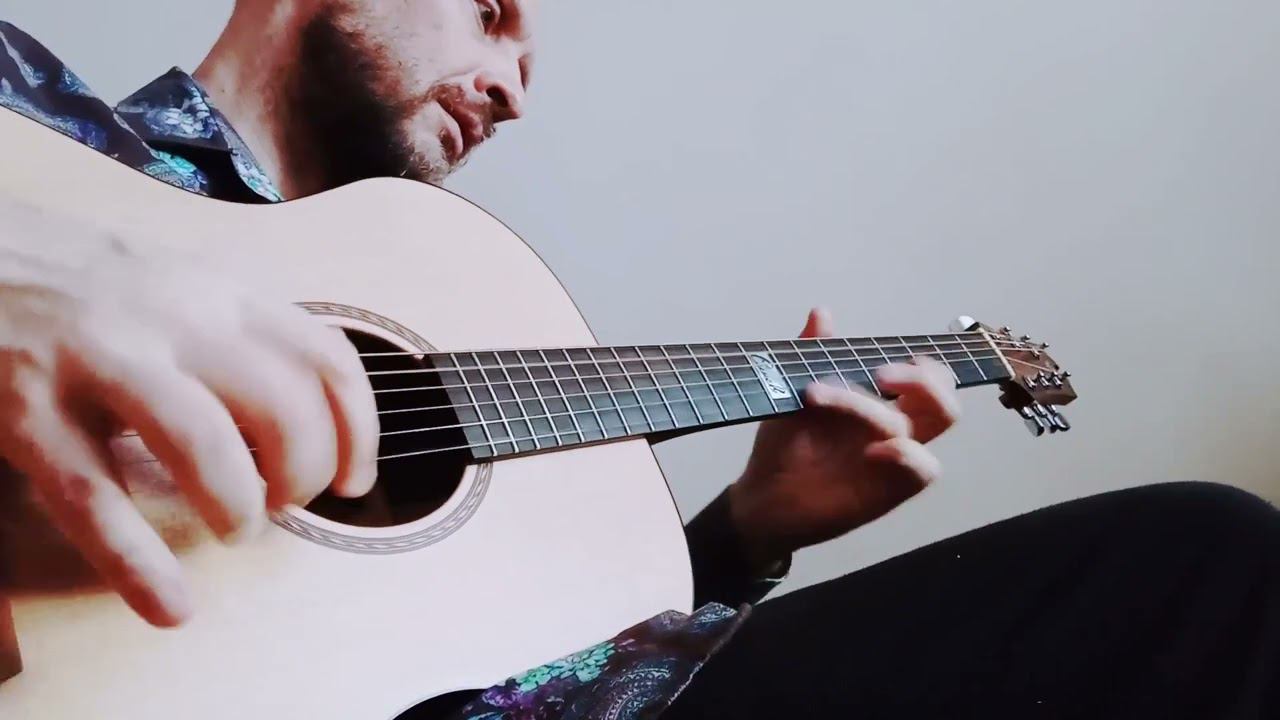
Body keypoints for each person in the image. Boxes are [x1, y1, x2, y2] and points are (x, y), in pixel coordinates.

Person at [0, 3, 1275, 718]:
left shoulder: (460, 316)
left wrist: (743, 532)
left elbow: (498, 664)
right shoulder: (30, 115)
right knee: (1198, 564)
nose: (512, 87)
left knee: (1195, 573)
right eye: (490, 13)